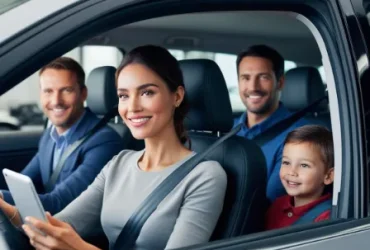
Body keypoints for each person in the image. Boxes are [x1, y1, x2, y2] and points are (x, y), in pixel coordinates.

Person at [0, 45, 227, 250]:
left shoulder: (205, 176)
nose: (133, 107)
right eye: (124, 96)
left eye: (147, 92)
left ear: (176, 96)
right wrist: (5, 209)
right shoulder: (119, 163)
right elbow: (60, 224)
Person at [0, 57, 124, 214]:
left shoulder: (104, 142)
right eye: (48, 91)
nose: (56, 101)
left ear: (83, 93)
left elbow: (59, 203)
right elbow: (20, 186)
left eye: (66, 90)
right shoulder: (50, 136)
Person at [233, 45, 310, 201]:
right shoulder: (227, 130)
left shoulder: (300, 136)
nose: (253, 87)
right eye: (246, 78)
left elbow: (266, 203)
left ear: (280, 82)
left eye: (263, 77)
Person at [265, 125, 334, 230]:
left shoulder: (326, 218)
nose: (292, 172)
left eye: (304, 165)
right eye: (286, 162)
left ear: (328, 176)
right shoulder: (277, 205)